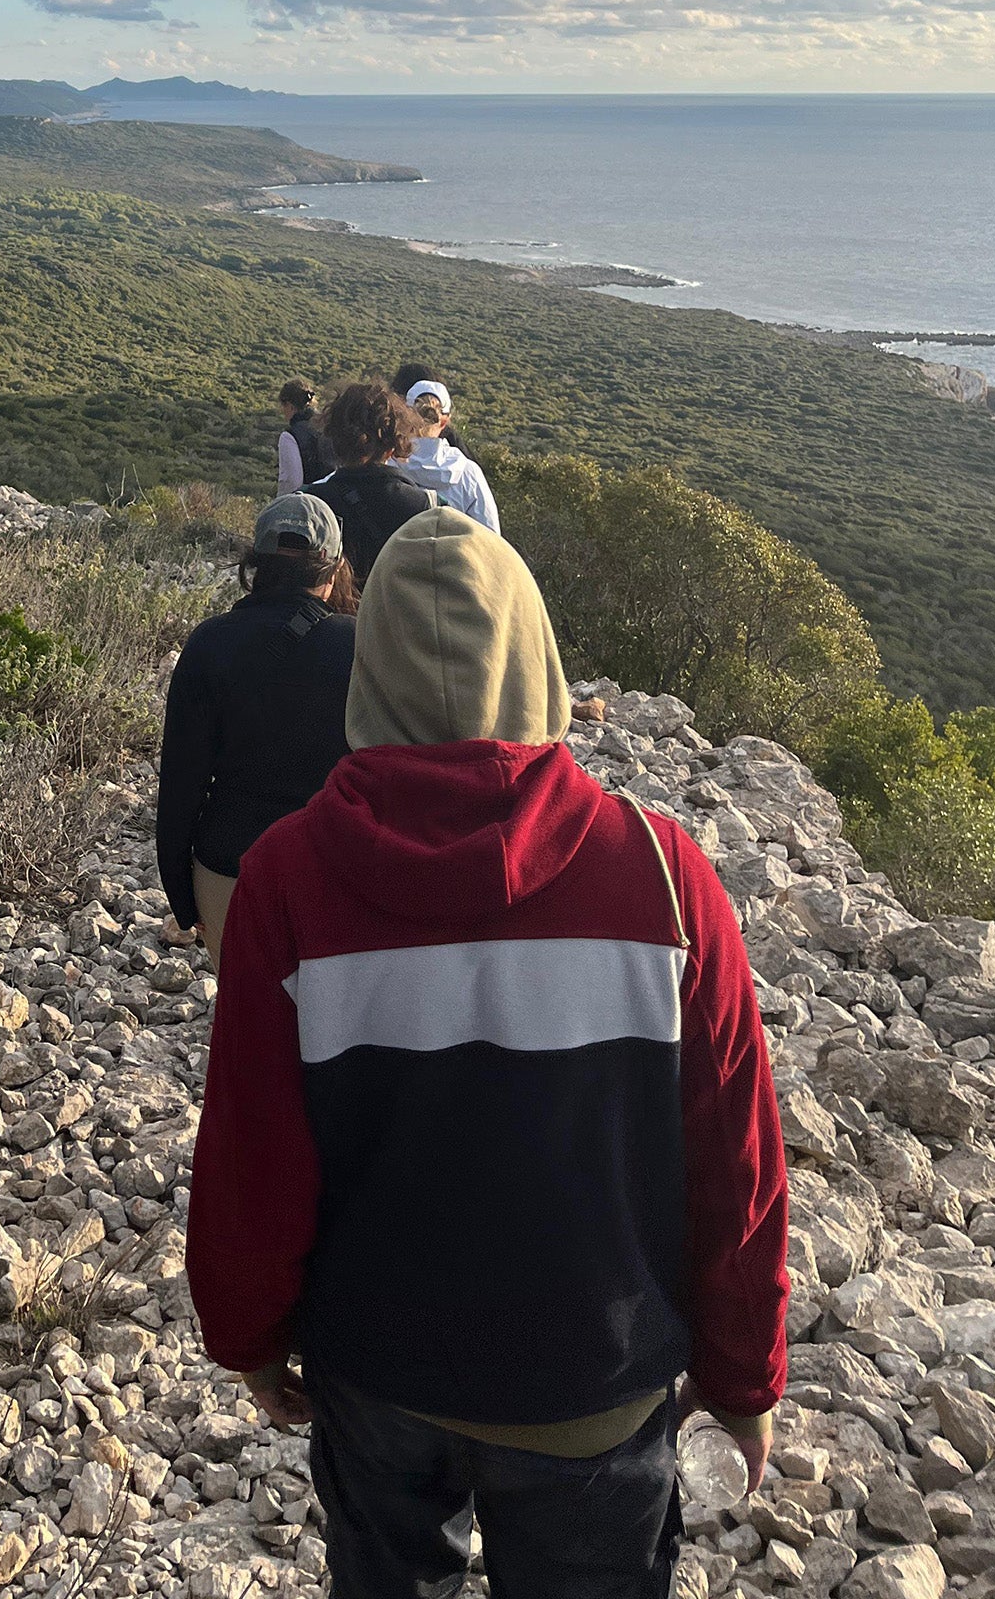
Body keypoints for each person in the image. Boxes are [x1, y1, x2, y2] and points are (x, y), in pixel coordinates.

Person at [185, 509, 787, 1599]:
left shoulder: (287, 880)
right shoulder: (660, 874)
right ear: (539, 654)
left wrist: (251, 1336)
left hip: (377, 1372)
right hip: (595, 1382)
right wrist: (744, 1375)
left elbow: (252, 1152)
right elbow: (734, 1160)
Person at [156, 493, 358, 962]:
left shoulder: (209, 642)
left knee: (246, 1018)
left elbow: (181, 786)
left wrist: (183, 902)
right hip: (331, 868)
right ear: (332, 572)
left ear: (256, 564)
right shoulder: (358, 644)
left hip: (228, 868)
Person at [311, 382, 435, 588]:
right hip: (394, 618)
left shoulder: (311, 503)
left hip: (326, 616)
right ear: (393, 446)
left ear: (335, 439)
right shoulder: (424, 507)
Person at [400, 380, 500, 535]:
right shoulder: (468, 473)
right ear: (445, 421)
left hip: (396, 557)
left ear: (406, 415)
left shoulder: (389, 463)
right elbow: (491, 536)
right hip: (454, 558)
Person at [275, 379, 332, 495]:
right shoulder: (330, 427)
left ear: (290, 406)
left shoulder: (289, 436)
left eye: (283, 406)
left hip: (308, 502)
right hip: (335, 498)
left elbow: (291, 482)